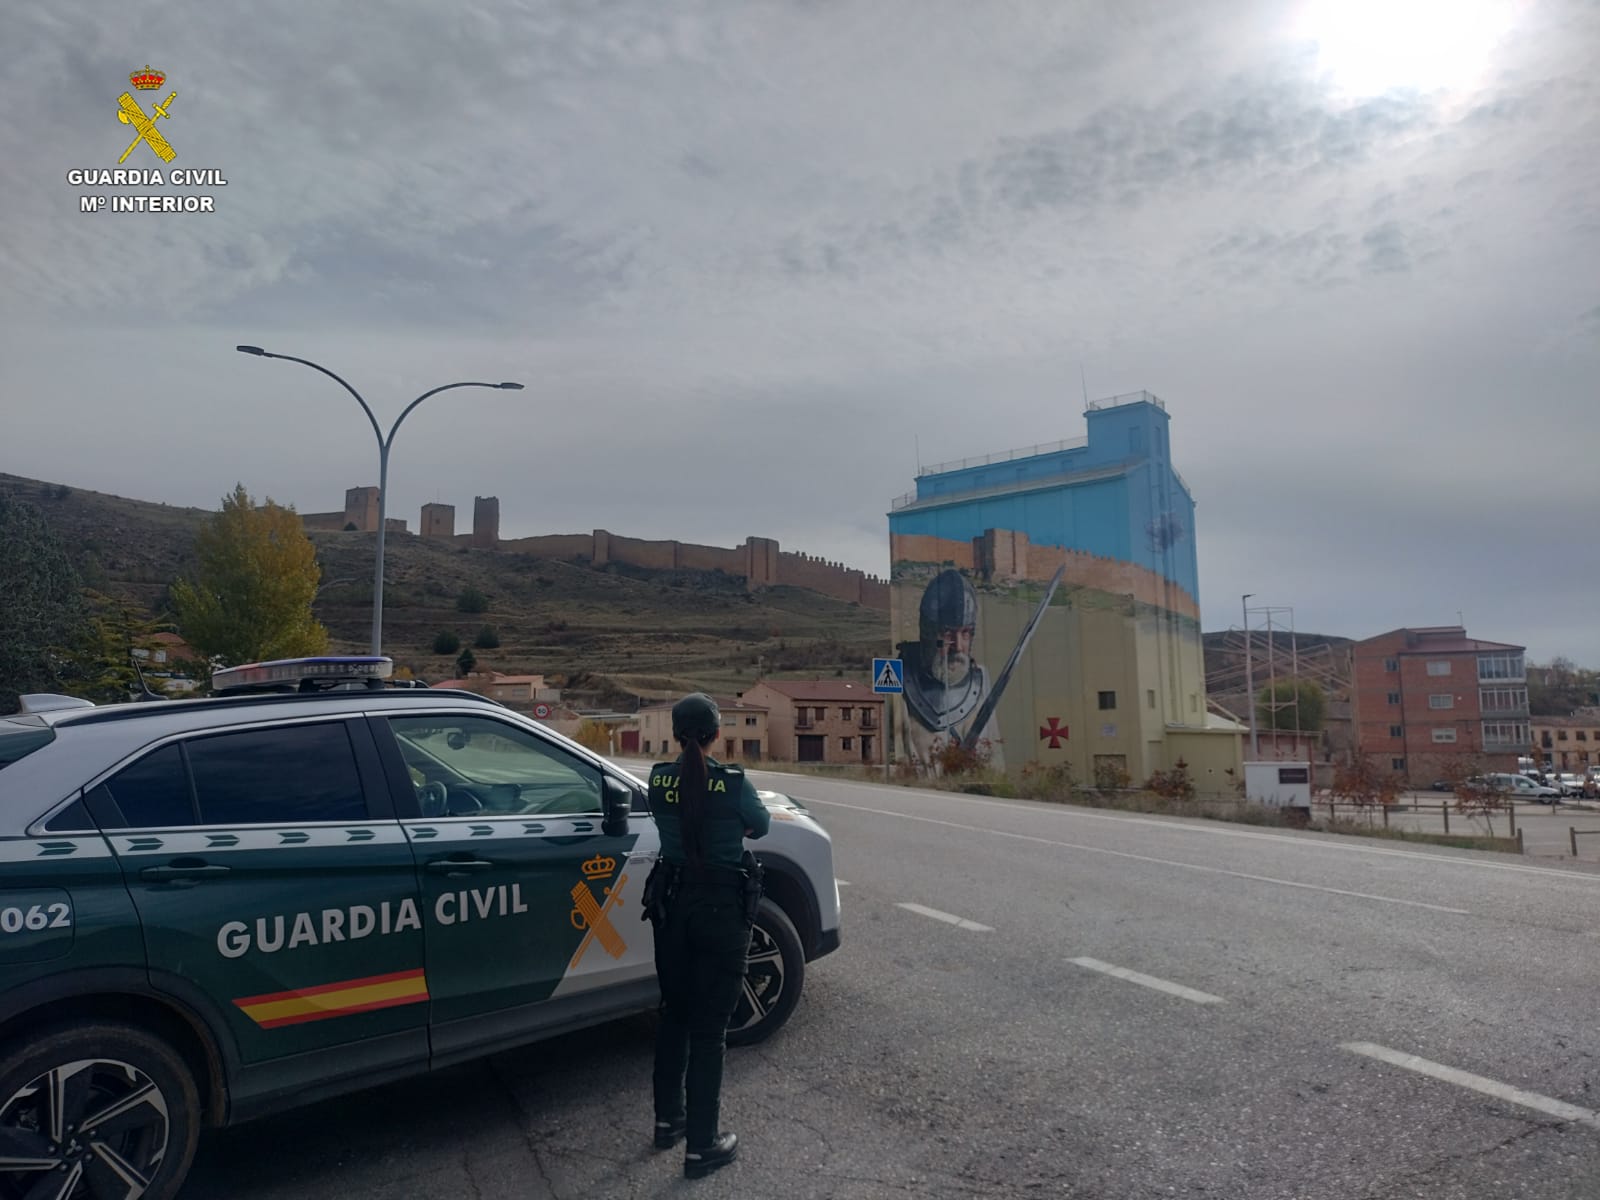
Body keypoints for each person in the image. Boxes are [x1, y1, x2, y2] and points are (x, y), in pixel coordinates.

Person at [644, 692, 770, 1179]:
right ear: (717, 734)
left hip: (672, 907)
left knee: (674, 1014)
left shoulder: (659, 781)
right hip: (720, 910)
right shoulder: (732, 783)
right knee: (710, 1029)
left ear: (676, 735)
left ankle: (667, 1121)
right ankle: (702, 1145)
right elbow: (758, 827)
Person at [895, 569, 1003, 773]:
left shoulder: (979, 681)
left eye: (966, 633)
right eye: (947, 634)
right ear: (928, 633)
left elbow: (994, 767)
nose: (958, 646)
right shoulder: (900, 680)